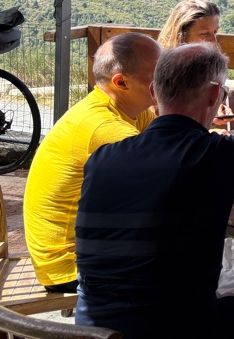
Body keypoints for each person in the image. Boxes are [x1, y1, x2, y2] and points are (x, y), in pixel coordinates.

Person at [75, 43, 234, 339]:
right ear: (213, 93)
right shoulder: (216, 154)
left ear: (155, 92)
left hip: (92, 330)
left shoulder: (101, 159)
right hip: (181, 331)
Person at [24, 33, 161, 293]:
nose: (168, 80)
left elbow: (171, 138)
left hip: (82, 249)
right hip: (68, 266)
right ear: (121, 82)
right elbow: (175, 169)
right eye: (159, 74)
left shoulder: (125, 110)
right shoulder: (103, 127)